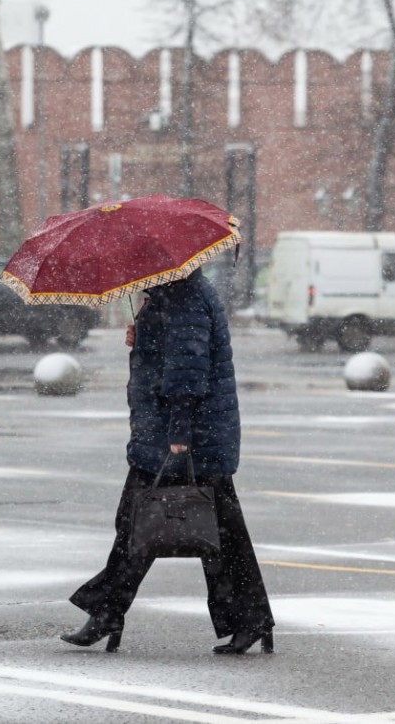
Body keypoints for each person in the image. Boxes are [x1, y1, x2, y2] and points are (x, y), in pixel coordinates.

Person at [61, 267, 274, 654]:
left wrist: (179, 432)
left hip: (182, 438)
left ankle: (108, 612)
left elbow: (188, 369)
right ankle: (249, 620)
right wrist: (143, 338)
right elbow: (174, 353)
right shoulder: (174, 294)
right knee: (201, 534)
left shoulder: (185, 297)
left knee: (142, 526)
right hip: (181, 435)